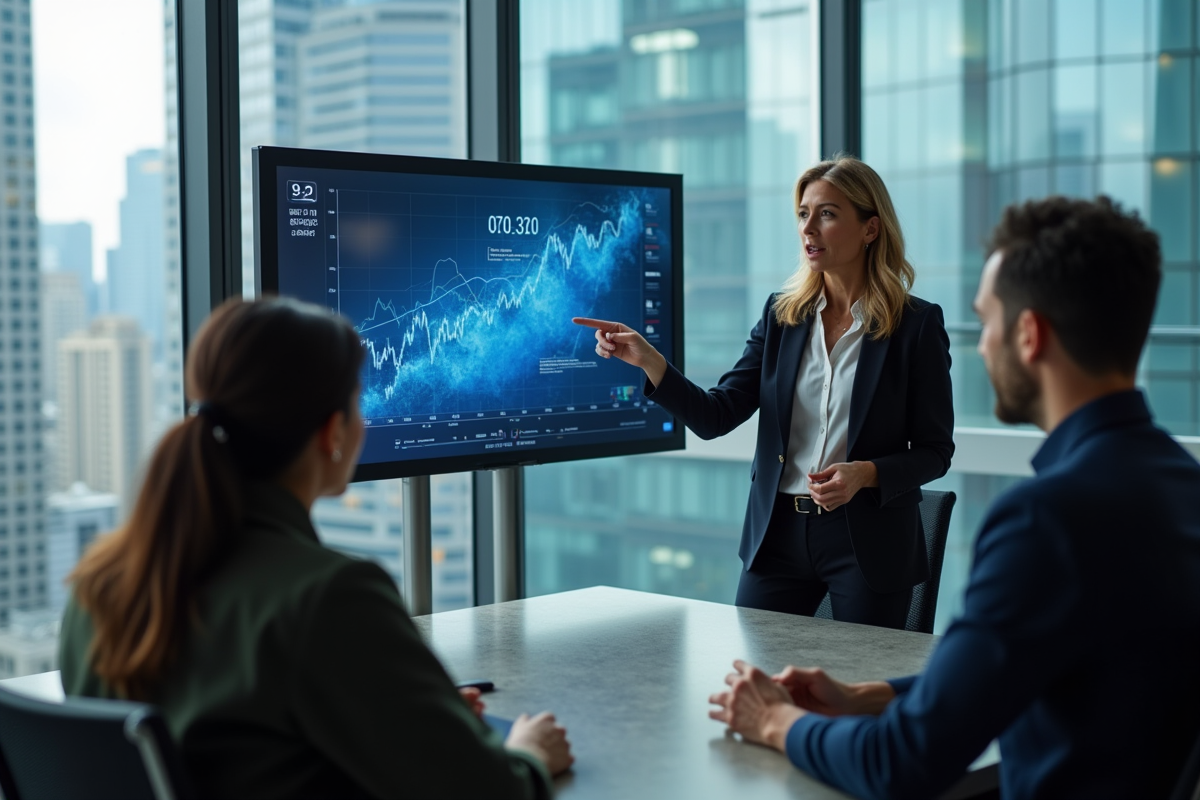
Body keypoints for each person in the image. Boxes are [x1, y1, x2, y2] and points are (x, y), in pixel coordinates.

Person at [707, 196, 1200, 799]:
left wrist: (776, 721)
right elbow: (1040, 666)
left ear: (1029, 334)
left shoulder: (1047, 520)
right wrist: (869, 693)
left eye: (987, 321)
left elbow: (902, 762)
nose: (983, 345)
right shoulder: (1180, 485)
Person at [59, 297, 573, 799]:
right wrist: (527, 754)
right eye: (357, 402)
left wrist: (413, 720)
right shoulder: (329, 596)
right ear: (332, 432)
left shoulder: (99, 586)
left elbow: (246, 754)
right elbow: (486, 790)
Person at [576, 156, 954, 629]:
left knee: (858, 689)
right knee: (753, 678)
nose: (808, 228)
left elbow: (936, 452)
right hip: (777, 537)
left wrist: (865, 474)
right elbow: (717, 416)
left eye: (827, 214)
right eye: (803, 214)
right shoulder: (783, 316)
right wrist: (652, 362)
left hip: (868, 542)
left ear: (870, 229)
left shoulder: (915, 326)